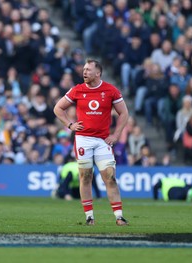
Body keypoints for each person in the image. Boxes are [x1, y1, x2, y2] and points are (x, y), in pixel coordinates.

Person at [53, 59, 129, 226]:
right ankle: (89, 217)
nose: (84, 72)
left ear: (98, 73)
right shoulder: (77, 90)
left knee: (110, 177)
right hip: (83, 139)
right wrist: (70, 124)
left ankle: (119, 216)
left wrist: (116, 135)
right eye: (84, 69)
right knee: (85, 176)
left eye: (88, 70)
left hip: (103, 141)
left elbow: (124, 113)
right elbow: (58, 108)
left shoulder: (110, 90)